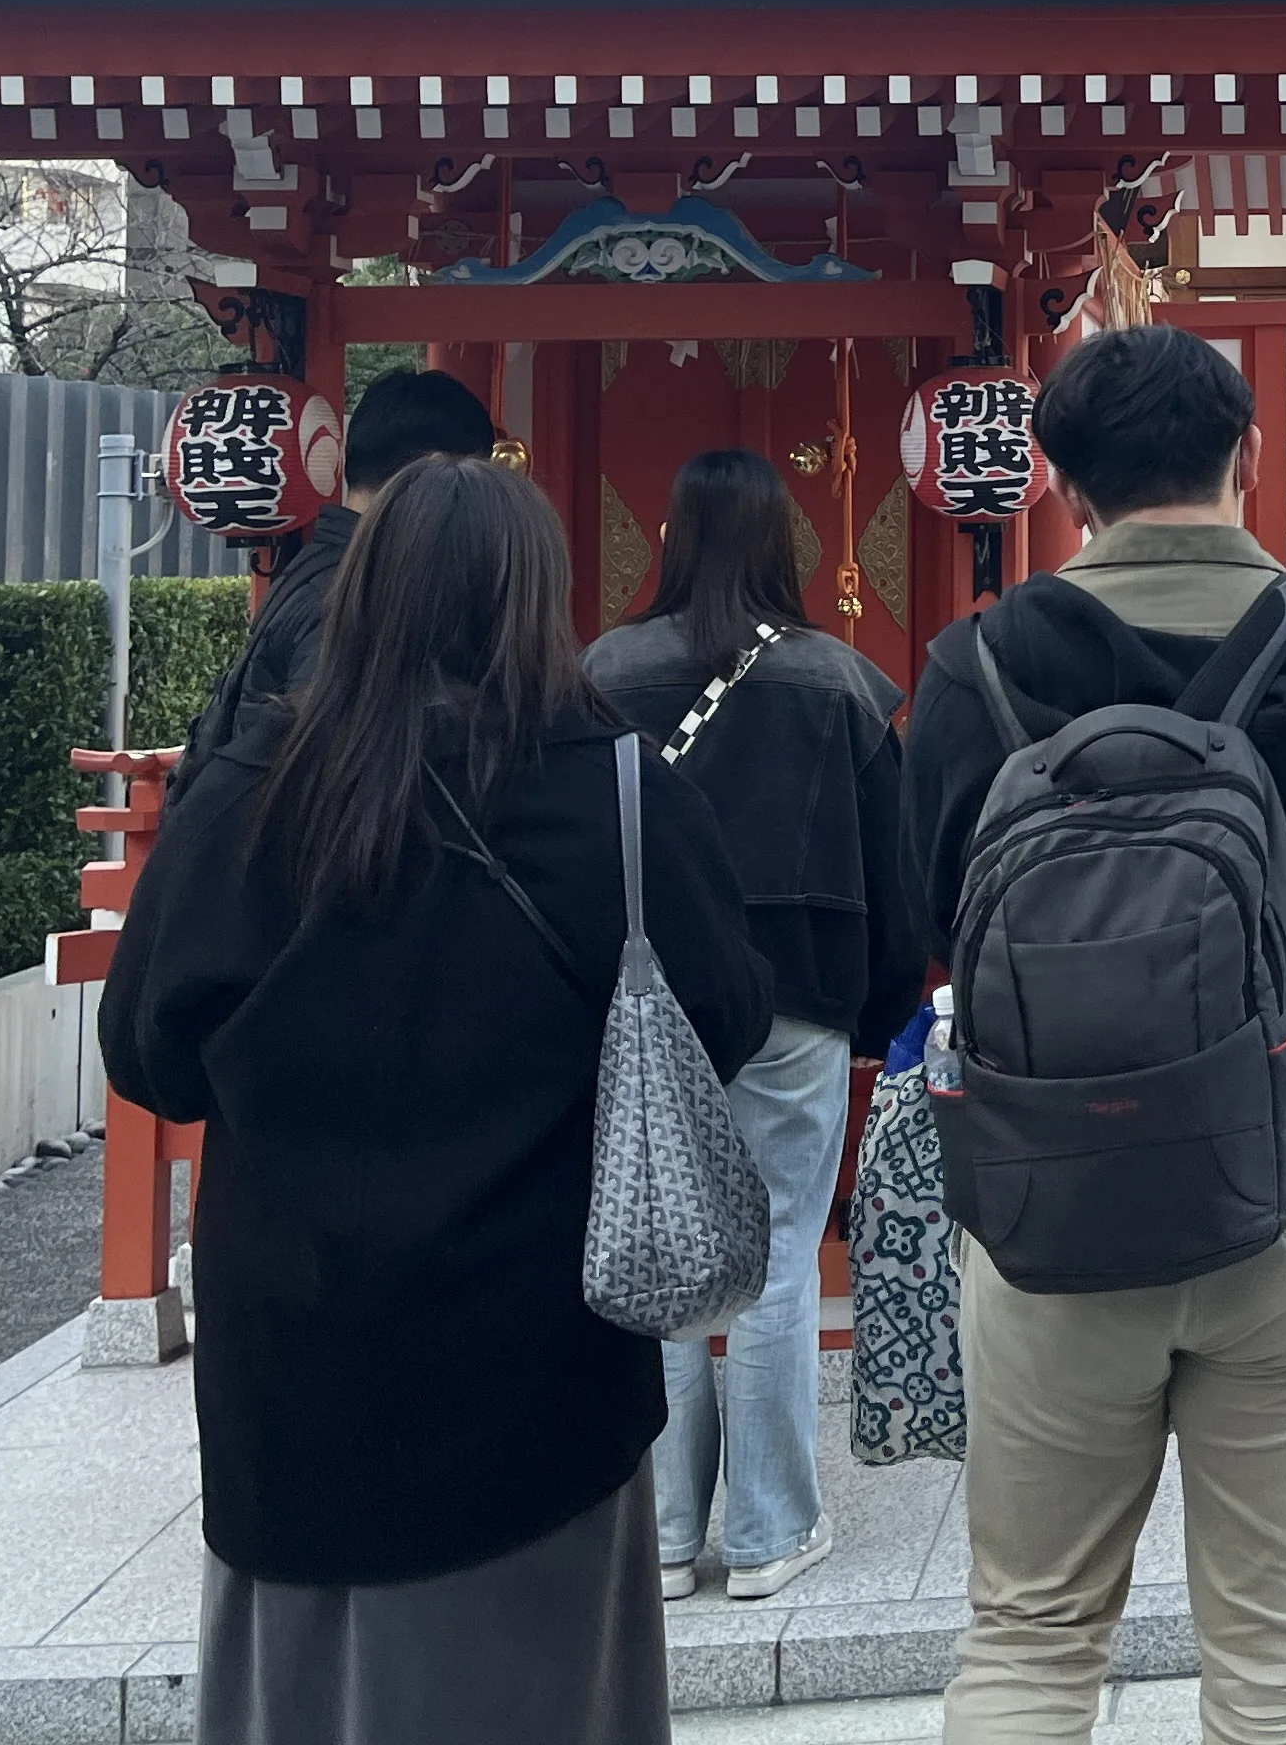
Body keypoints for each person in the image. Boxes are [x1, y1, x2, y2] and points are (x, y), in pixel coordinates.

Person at [101, 458, 773, 1745]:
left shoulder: (253, 793)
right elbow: (726, 1020)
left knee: (298, 1697)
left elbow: (148, 1052)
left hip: (289, 1364)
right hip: (534, 1371)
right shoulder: (612, 796)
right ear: (539, 599)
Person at [903, 323, 1286, 1745]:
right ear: (1250, 458)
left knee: (1032, 1644)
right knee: (1280, 1667)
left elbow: (929, 927)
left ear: (1058, 478)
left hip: (1051, 1220)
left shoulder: (975, 673)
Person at [582, 448, 929, 1606]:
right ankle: (774, 1532)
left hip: (646, 1006)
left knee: (668, 1242)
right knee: (779, 1249)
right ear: (788, 544)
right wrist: (886, 1009)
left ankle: (671, 1538)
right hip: (798, 996)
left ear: (667, 539)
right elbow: (897, 871)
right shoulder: (843, 683)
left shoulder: (600, 678)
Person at [182, 365, 499, 772]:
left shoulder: (324, 569)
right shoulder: (351, 593)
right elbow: (323, 771)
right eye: (468, 481)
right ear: (431, 469)